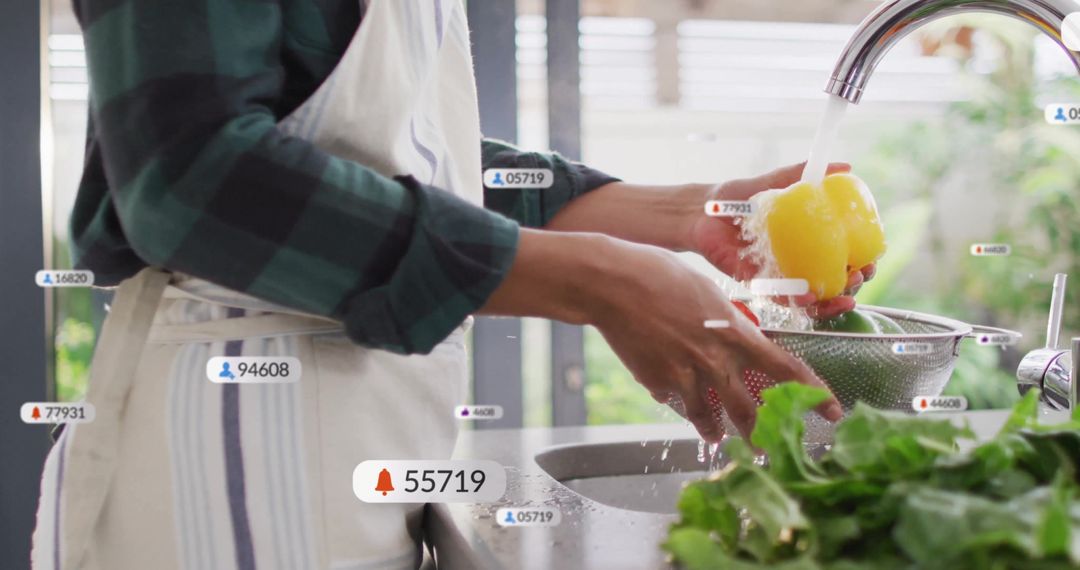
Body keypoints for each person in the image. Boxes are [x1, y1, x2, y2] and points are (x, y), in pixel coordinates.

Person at [33, 1, 871, 569]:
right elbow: (191, 181)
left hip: (363, 456)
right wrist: (600, 282)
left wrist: (692, 213)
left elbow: (398, 157)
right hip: (223, 471)